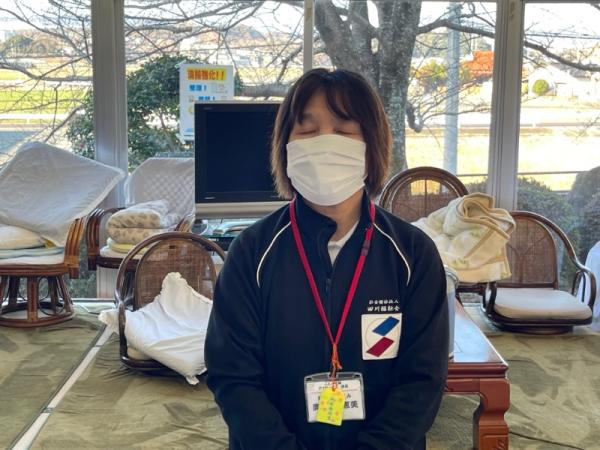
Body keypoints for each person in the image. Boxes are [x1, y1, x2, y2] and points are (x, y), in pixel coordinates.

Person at [205, 68, 449, 450]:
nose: (324, 144)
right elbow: (233, 377)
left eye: (343, 130)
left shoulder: (414, 254)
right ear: (286, 146)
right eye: (308, 130)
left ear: (371, 146)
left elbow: (422, 381)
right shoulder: (251, 252)